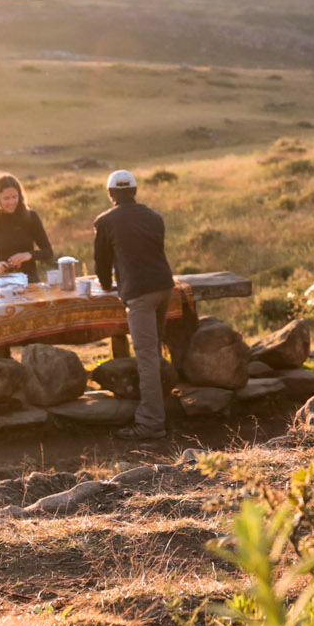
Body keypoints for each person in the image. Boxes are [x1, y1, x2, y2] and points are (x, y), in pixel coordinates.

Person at [93, 168, 176, 443]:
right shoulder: (154, 217)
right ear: (135, 191)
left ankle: (151, 423)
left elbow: (102, 262)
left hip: (139, 293)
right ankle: (162, 408)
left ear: (111, 193)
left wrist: (107, 286)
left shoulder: (105, 221)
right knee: (154, 350)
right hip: (164, 286)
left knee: (147, 357)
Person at [0, 173, 55, 282]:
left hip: (30, 281)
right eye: (6, 198)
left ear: (20, 196)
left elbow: (48, 252)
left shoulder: (31, 217)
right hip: (4, 282)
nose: (11, 202)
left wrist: (28, 255)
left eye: (15, 197)